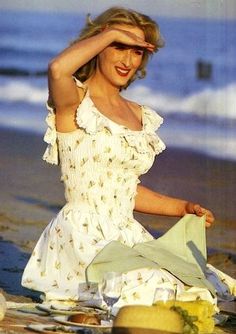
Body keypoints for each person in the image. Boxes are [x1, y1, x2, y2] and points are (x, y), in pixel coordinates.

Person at [22, 7, 232, 307]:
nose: (128, 59)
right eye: (119, 46)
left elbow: (125, 191)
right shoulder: (74, 101)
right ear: (99, 46)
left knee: (197, 281)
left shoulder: (138, 114)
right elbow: (57, 68)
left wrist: (182, 207)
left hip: (127, 233)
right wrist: (110, 32)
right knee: (150, 286)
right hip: (81, 234)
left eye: (136, 51)